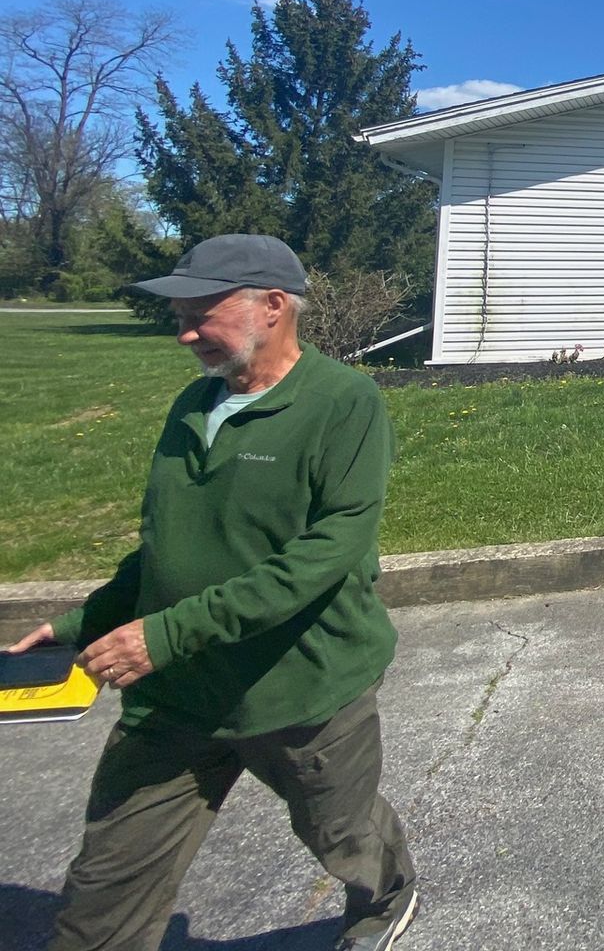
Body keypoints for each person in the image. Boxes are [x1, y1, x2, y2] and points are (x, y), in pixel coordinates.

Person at [7, 235, 420, 951]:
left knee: (342, 831)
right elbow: (163, 547)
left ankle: (387, 894)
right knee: (106, 885)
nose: (186, 332)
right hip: (176, 696)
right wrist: (82, 623)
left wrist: (162, 634)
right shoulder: (193, 405)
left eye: (203, 312)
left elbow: (324, 555)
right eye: (179, 315)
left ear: (274, 306)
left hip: (299, 692)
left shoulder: (343, 403)